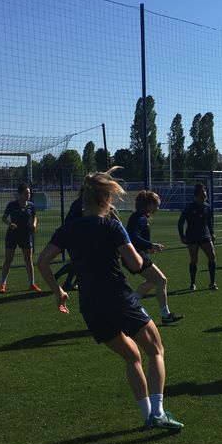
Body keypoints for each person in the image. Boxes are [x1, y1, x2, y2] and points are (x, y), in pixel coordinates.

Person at [36, 170, 183, 430]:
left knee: (132, 356)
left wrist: (58, 290)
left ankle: (148, 415)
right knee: (156, 350)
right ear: (106, 197)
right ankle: (158, 412)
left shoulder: (68, 228)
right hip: (118, 299)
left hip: (90, 307)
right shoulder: (111, 225)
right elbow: (135, 263)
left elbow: (43, 261)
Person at [127, 190, 183, 325]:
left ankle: (130, 305)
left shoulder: (139, 216)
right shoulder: (141, 218)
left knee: (153, 281)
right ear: (148, 205)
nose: (158, 208)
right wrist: (151, 244)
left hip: (135, 255)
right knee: (162, 280)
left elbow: (134, 239)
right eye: (156, 205)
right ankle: (165, 315)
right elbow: (132, 236)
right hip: (136, 256)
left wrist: (148, 248)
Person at [0, 183, 41, 293]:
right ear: (19, 194)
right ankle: (3, 284)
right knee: (8, 260)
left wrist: (34, 224)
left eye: (29, 193)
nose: (28, 195)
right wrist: (10, 224)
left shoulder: (31, 205)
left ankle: (32, 284)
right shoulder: (12, 205)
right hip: (12, 236)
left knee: (28, 260)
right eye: (25, 193)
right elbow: (4, 218)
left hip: (26, 236)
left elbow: (34, 216)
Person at [177, 183, 217, 291]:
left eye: (205, 195)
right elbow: (180, 222)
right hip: (192, 237)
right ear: (196, 196)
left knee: (212, 256)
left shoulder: (207, 207)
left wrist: (212, 233)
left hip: (205, 236)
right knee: (194, 260)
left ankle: (212, 283)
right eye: (202, 196)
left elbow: (209, 221)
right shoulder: (189, 207)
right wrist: (182, 236)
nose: (204, 197)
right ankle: (192, 283)